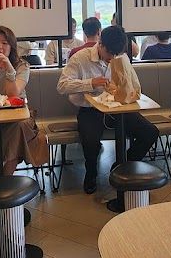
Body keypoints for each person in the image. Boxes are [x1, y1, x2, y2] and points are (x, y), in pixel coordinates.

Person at [57, 26, 160, 194]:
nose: (113, 58)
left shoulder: (121, 57)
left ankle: (122, 165)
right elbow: (62, 86)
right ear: (100, 44)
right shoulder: (80, 58)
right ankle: (91, 174)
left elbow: (131, 85)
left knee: (150, 133)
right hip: (90, 109)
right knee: (90, 142)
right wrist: (90, 83)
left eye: (117, 54)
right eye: (110, 53)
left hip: (118, 108)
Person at [0, 26, 49, 175]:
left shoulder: (22, 66)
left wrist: (9, 69)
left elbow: (13, 95)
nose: (0, 47)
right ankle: (2, 179)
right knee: (17, 133)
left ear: (12, 46)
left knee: (19, 127)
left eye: (5, 43)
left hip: (17, 117)